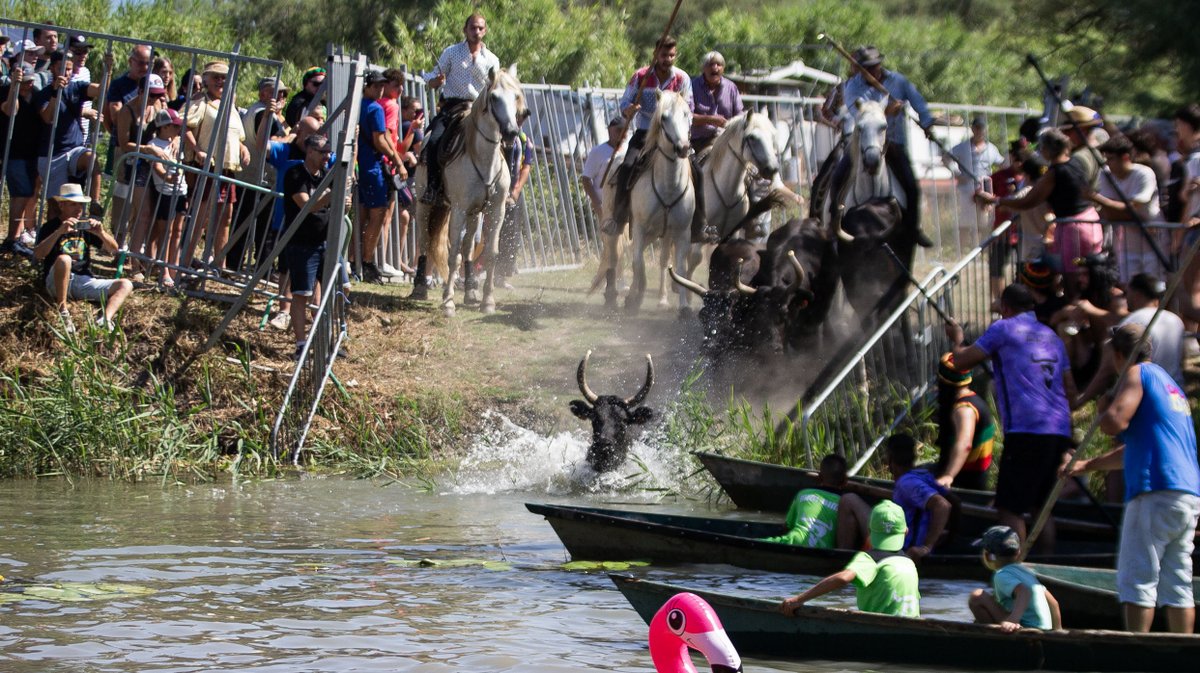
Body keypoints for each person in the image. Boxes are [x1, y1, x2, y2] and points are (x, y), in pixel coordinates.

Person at [1065, 321, 1200, 633]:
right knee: (1177, 581)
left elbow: (1114, 423)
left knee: (1137, 577)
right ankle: (1182, 652)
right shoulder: (1170, 385)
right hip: (1186, 494)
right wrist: (1088, 465)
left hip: (1154, 491)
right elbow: (1138, 448)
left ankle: (1133, 653)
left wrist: (1103, 407)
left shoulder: (1136, 374)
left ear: (1118, 353)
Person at [945, 283, 1076, 550]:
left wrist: (957, 339)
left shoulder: (1003, 328)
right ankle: (1049, 566)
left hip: (1027, 430)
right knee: (1042, 507)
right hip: (1059, 429)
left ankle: (1015, 570)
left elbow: (959, 362)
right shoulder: (1052, 336)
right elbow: (1071, 389)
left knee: (1009, 509)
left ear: (1005, 308)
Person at [978, 128, 1102, 299]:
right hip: (1091, 221)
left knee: (1072, 276)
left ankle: (1076, 315)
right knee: (1090, 272)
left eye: (1041, 148)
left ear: (1048, 149)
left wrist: (996, 200)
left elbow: (1028, 201)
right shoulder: (1075, 163)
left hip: (1074, 228)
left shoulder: (1055, 172)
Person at [838, 45, 935, 247]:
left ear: (880, 64)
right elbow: (861, 113)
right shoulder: (853, 87)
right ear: (859, 68)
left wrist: (927, 123)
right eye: (866, 67)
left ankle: (913, 228)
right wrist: (886, 111)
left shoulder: (898, 81)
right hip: (863, 145)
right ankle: (832, 224)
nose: (872, 71)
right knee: (837, 176)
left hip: (894, 142)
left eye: (874, 66)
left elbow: (919, 103)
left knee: (911, 186)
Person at [778, 500, 920, 618]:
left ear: (869, 531)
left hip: (880, 631)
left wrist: (798, 600)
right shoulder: (909, 563)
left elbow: (843, 578)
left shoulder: (870, 559)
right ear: (906, 531)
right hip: (912, 627)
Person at [610, 35, 692, 227]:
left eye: (671, 55)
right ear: (655, 54)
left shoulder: (682, 79)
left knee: (696, 171)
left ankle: (698, 223)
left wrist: (683, 133)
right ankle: (619, 217)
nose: (668, 60)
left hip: (674, 137)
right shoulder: (640, 76)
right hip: (645, 134)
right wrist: (628, 110)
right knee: (627, 166)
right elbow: (624, 102)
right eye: (664, 55)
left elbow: (690, 109)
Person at [420, 12, 501, 205]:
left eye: (480, 28)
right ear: (465, 30)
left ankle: (500, 190)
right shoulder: (451, 52)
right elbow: (431, 80)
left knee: (507, 142)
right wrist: (436, 81)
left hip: (480, 111)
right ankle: (433, 187)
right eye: (473, 27)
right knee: (433, 141)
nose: (476, 31)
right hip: (453, 109)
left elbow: (495, 88)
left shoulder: (492, 60)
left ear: (485, 31)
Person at [32, 183, 133, 334]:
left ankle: (105, 320)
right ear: (61, 205)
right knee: (64, 259)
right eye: (73, 204)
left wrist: (100, 233)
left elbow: (114, 249)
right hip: (55, 280)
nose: (79, 208)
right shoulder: (50, 227)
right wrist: (58, 232)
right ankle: (63, 311)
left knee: (125, 284)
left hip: (83, 281)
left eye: (81, 204)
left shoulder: (85, 226)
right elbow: (38, 254)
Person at [183, 60, 250, 270]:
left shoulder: (230, 106)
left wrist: (243, 148)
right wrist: (197, 150)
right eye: (216, 77)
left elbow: (237, 136)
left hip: (227, 168)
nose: (220, 81)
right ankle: (185, 261)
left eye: (224, 77)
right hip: (207, 166)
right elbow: (185, 126)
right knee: (200, 217)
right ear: (207, 80)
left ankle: (220, 265)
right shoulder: (199, 101)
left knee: (225, 217)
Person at [282, 134, 337, 360]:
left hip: (326, 243)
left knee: (336, 291)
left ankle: (327, 341)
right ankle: (301, 344)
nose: (327, 156)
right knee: (301, 295)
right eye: (323, 152)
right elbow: (307, 206)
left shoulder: (326, 175)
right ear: (310, 151)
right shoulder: (295, 174)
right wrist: (333, 194)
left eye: (328, 152)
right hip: (302, 244)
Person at [36, 50, 109, 205]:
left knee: (92, 159)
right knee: (56, 206)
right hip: (52, 155)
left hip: (74, 149)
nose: (66, 73)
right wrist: (56, 93)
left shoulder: (77, 87)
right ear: (52, 69)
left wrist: (107, 70)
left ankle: (95, 203)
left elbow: (101, 90)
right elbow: (47, 117)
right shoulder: (44, 94)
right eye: (61, 68)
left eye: (69, 69)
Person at [1093, 134, 1168, 283]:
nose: (1107, 163)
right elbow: (1111, 214)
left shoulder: (1144, 174)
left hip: (1153, 242)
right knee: (1128, 286)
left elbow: (1133, 207)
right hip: (1126, 244)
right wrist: (1128, 214)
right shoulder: (1106, 174)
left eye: (1111, 159)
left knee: (1154, 286)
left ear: (1125, 157)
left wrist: (1096, 198)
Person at [356, 69, 406, 283]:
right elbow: (380, 139)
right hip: (372, 168)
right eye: (375, 86)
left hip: (359, 166)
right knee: (377, 215)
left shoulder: (357, 105)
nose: (380, 89)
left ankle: (354, 259)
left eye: (381, 85)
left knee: (360, 216)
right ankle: (367, 262)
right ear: (367, 86)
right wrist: (397, 161)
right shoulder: (376, 108)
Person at [759, 454, 871, 549]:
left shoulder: (803, 494)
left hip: (789, 542)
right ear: (845, 481)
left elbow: (787, 527)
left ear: (819, 477)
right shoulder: (845, 505)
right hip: (822, 550)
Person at [968, 525, 1061, 632]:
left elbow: (1023, 592)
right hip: (1044, 630)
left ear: (989, 556)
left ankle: (990, 637)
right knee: (993, 599)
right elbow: (1054, 603)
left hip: (1023, 628)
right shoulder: (1026, 572)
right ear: (1018, 552)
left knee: (977, 596)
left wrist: (1013, 620)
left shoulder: (1002, 574)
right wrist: (1058, 630)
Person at [886, 434, 955, 560]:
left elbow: (943, 506)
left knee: (850, 501)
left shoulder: (906, 483)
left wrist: (926, 547)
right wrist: (950, 535)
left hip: (908, 549)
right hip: (904, 542)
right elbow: (955, 501)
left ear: (890, 458)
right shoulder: (924, 476)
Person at [934, 353, 996, 491]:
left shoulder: (964, 410)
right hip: (970, 477)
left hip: (964, 485)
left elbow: (964, 444)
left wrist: (948, 476)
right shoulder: (973, 400)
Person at [1, 63, 43, 257]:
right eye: (25, 81)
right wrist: (14, 89)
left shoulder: (35, 93)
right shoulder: (5, 91)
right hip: (13, 153)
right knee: (21, 192)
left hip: (32, 153)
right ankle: (12, 239)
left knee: (28, 193)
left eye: (31, 80)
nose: (29, 84)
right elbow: (11, 110)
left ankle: (16, 237)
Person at [146, 108, 189, 289]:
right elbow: (157, 168)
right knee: (166, 232)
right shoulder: (153, 145)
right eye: (174, 126)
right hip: (164, 192)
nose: (178, 130)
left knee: (178, 231)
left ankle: (174, 268)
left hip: (181, 190)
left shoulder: (176, 142)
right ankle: (163, 270)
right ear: (164, 127)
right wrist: (168, 177)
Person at [946, 116, 1003, 247]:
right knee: (965, 221)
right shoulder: (962, 147)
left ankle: (982, 247)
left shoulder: (991, 148)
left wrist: (996, 180)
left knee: (984, 221)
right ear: (973, 129)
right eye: (977, 128)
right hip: (966, 188)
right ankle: (964, 249)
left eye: (982, 129)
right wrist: (956, 173)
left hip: (985, 189)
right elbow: (946, 158)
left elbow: (1001, 164)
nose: (979, 131)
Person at [493, 126, 534, 289]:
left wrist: (516, 191)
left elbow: (527, 165)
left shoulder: (524, 139)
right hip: (491, 188)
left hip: (512, 192)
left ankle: (501, 275)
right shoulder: (494, 132)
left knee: (511, 234)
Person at [689, 50, 743, 154]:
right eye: (710, 65)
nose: (715, 68)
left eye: (719, 65)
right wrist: (711, 119)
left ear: (723, 68)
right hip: (699, 141)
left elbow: (740, 114)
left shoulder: (731, 87)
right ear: (703, 68)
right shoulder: (693, 86)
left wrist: (731, 124)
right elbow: (688, 116)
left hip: (728, 139)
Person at [581, 117, 624, 221]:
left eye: (623, 130)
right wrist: (597, 204)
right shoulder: (598, 151)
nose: (620, 133)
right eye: (617, 130)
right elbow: (586, 179)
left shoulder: (627, 151)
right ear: (609, 130)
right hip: (605, 205)